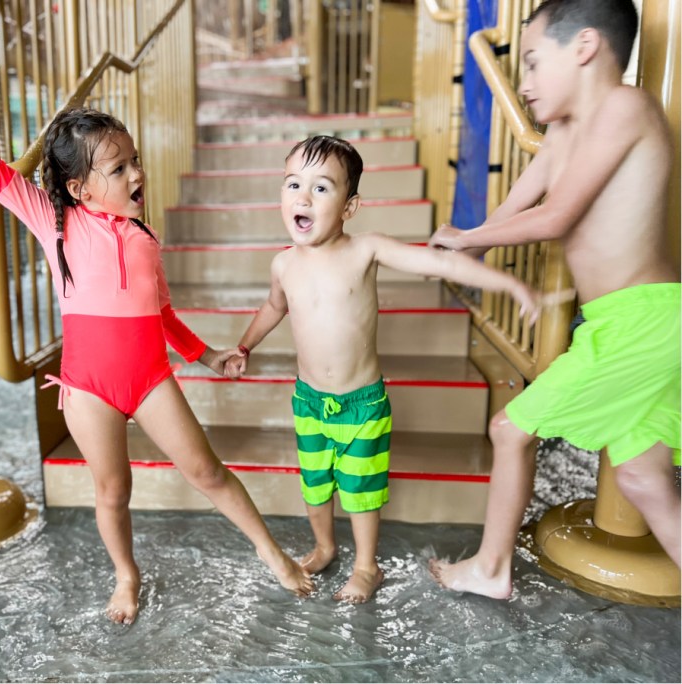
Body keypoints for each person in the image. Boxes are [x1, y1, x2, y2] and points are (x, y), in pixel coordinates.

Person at [0, 85, 313, 624]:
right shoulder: (53, 222)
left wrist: (208, 356)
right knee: (112, 490)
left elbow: (163, 315)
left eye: (135, 161)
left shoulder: (145, 238)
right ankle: (126, 575)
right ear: (80, 188)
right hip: (88, 388)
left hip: (150, 378)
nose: (136, 174)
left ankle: (271, 553)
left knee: (206, 471)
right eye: (118, 168)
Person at [427, 0, 681, 598]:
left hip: (646, 321)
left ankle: (491, 570)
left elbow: (558, 215)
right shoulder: (563, 135)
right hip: (616, 323)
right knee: (644, 479)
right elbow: (511, 215)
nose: (527, 82)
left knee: (510, 429)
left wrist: (469, 238)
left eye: (536, 63)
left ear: (586, 48)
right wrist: (466, 252)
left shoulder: (627, 107)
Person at [223, 134, 540, 603]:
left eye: (321, 188)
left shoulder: (364, 249)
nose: (303, 197)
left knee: (362, 490)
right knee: (315, 485)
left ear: (349, 207)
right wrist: (245, 345)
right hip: (309, 400)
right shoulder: (284, 265)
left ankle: (367, 566)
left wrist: (507, 285)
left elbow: (437, 263)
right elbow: (274, 309)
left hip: (361, 404)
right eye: (293, 185)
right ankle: (325, 545)